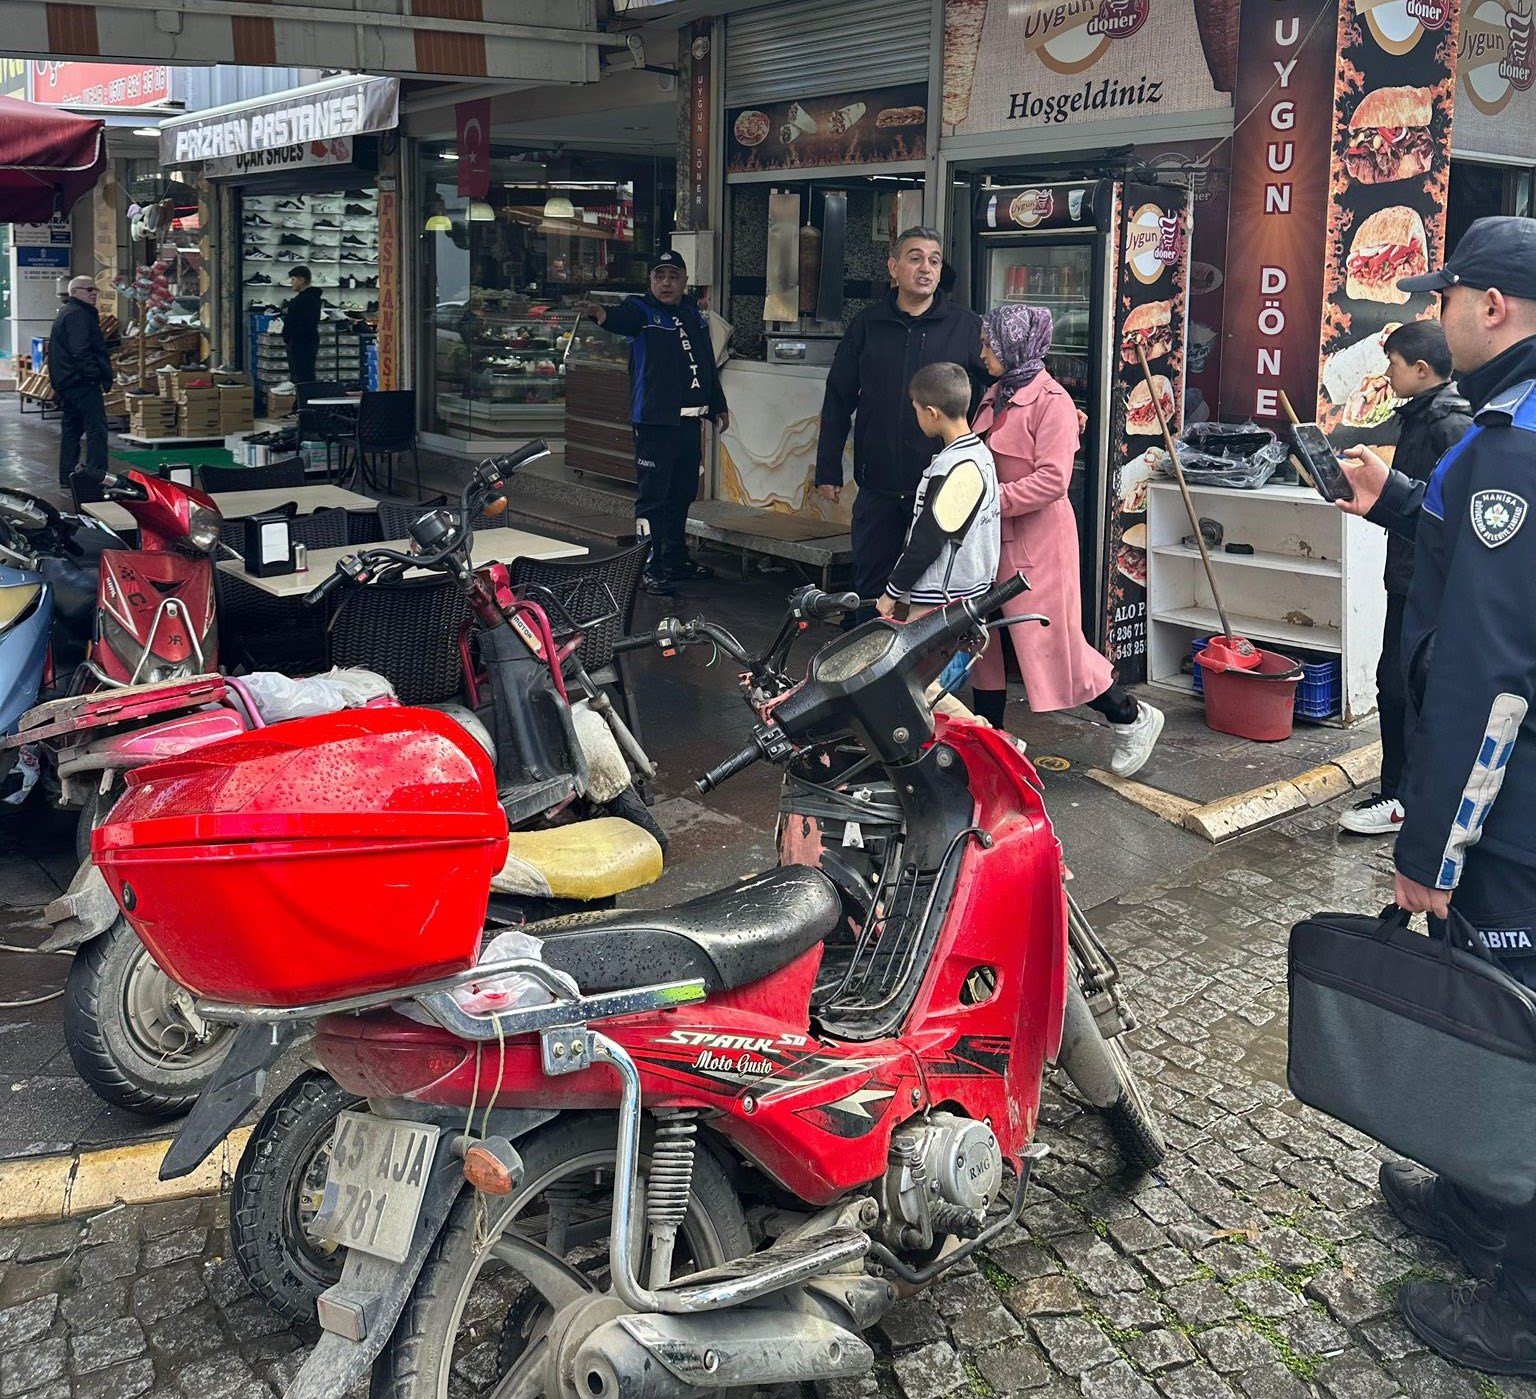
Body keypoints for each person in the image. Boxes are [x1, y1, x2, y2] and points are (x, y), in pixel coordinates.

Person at [1336, 215, 1536, 1375]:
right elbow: (1484, 549)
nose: (1435, 314)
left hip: (1516, 815)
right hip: (1513, 805)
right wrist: (1399, 499)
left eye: (1446, 297)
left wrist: (1431, 848)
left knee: (1519, 1027)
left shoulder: (1515, 439)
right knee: (1491, 1016)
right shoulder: (1503, 425)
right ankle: (1479, 1197)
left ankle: (1527, 1298)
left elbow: (1485, 670)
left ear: (1489, 307)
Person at [966, 304, 1164, 777]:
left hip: (1038, 545)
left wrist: (989, 500)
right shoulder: (996, 394)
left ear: (1014, 346)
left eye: (989, 344)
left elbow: (1053, 480)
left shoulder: (1051, 401)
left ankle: (1130, 716)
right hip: (989, 540)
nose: (982, 352)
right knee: (980, 640)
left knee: (1052, 644)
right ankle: (992, 744)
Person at [1340, 320, 1470, 836]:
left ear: (1420, 369)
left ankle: (1401, 799)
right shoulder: (1420, 415)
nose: (1386, 374)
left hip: (1426, 582)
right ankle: (1398, 791)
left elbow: (1442, 514)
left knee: (1403, 688)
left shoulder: (1451, 426)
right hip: (1406, 576)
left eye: (1393, 364)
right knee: (1392, 684)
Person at [815, 227, 985, 617]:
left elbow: (1003, 380)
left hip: (943, 489)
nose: (926, 268)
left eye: (934, 261)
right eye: (915, 258)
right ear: (893, 267)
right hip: (879, 486)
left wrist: (1056, 405)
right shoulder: (867, 324)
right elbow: (838, 397)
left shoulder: (965, 325)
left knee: (936, 600)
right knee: (871, 595)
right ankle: (866, 655)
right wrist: (828, 469)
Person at [576, 249, 728, 595]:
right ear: (651, 281)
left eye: (673, 277)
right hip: (654, 424)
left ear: (685, 282)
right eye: (659, 276)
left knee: (681, 494)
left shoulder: (692, 312)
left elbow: (705, 361)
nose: (666, 283)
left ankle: (675, 559)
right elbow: (617, 318)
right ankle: (647, 566)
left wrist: (718, 405)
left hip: (689, 424)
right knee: (653, 499)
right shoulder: (640, 310)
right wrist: (599, 313)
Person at [875, 362, 999, 620]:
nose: (916, 416)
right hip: (972, 591)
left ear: (932, 413)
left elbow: (928, 540)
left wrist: (891, 592)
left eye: (916, 410)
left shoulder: (952, 466)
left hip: (941, 600)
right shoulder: (981, 453)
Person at [48, 276, 113, 489]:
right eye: (88, 289)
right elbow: (80, 350)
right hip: (82, 382)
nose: (93, 293)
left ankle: (67, 475)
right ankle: (96, 476)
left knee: (72, 429)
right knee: (96, 429)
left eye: (95, 289)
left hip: (67, 382)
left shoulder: (69, 312)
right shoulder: (78, 314)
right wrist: (93, 375)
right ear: (74, 292)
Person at [281, 267, 322, 387]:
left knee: (303, 376)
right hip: (300, 342)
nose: (291, 283)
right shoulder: (306, 299)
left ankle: (306, 397)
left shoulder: (306, 300)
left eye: (293, 279)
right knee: (299, 375)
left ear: (301, 280)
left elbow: (304, 324)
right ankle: (301, 397)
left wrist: (291, 337)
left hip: (302, 343)